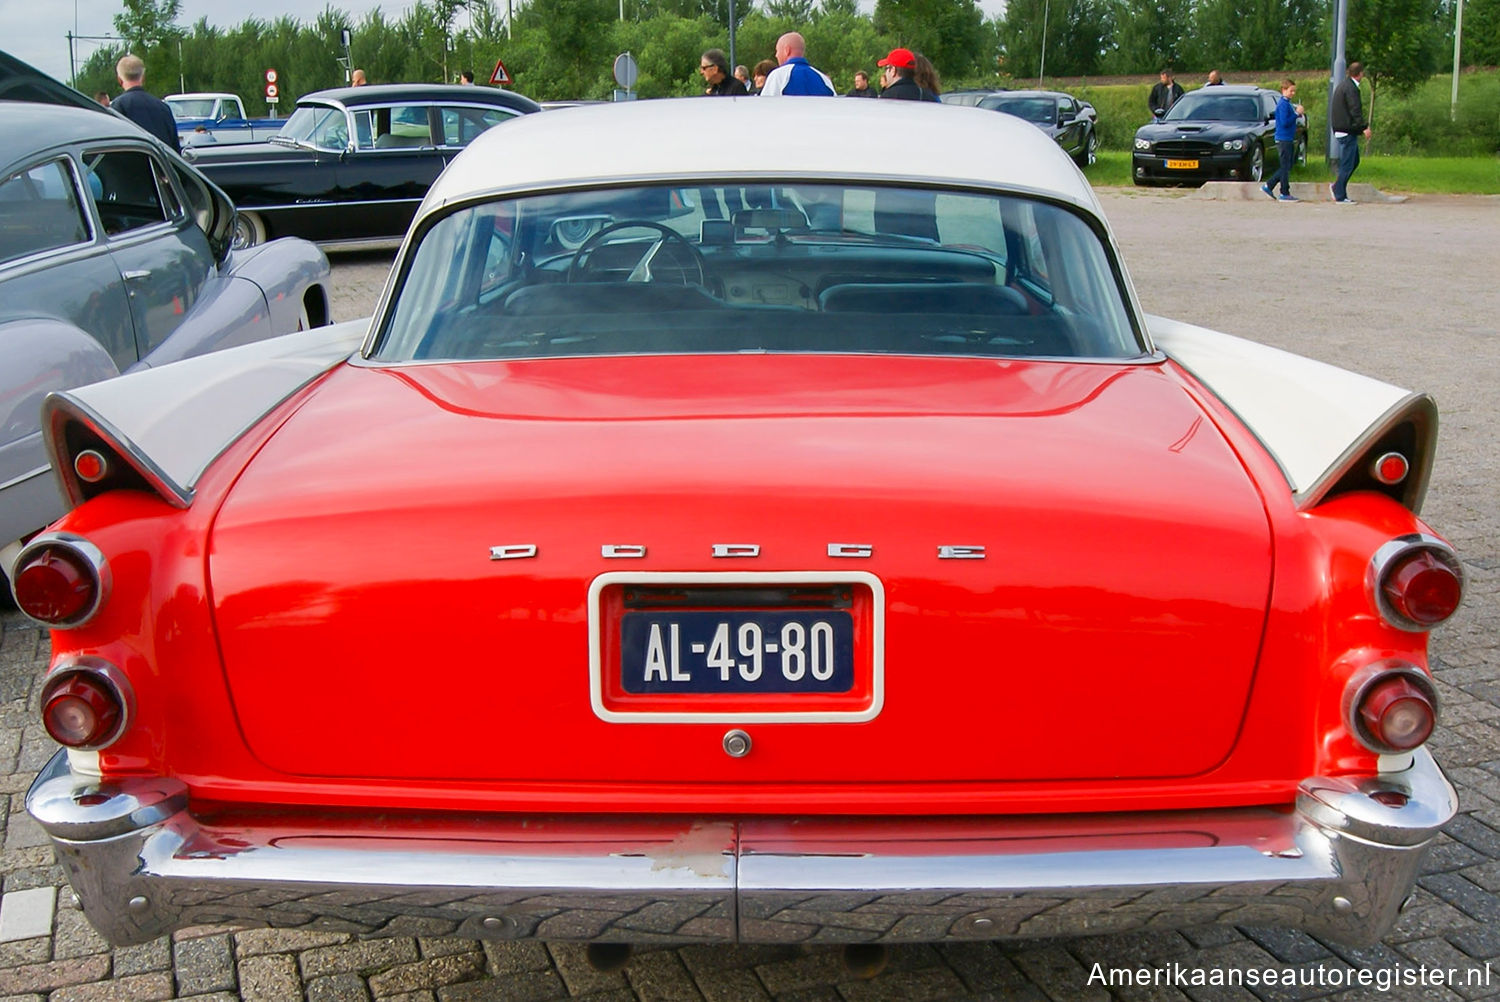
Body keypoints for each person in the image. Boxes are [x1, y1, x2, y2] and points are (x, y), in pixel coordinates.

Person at [111, 54, 179, 152]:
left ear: (119, 80)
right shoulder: (163, 107)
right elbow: (175, 148)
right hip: (160, 165)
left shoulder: (118, 107)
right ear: (143, 77)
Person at [1330, 62, 1370, 204]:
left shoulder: (1344, 85)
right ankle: (1339, 193)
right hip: (1346, 130)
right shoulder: (1351, 89)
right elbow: (1355, 110)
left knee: (1354, 161)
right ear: (1359, 74)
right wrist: (1363, 127)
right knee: (1348, 163)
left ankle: (1338, 186)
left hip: (1342, 128)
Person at [1262, 78, 1304, 201]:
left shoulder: (1286, 103)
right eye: (1291, 91)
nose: (1293, 93)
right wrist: (1297, 114)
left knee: (1287, 165)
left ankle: (1270, 185)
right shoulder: (1283, 104)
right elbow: (1285, 122)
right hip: (1284, 138)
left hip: (1287, 138)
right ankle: (1283, 192)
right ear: (1283, 90)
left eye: (1294, 91)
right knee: (1285, 166)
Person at [758, 32, 835, 97]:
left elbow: (765, 108)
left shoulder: (778, 76)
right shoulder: (824, 79)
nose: (776, 55)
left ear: (787, 50)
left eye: (777, 51)